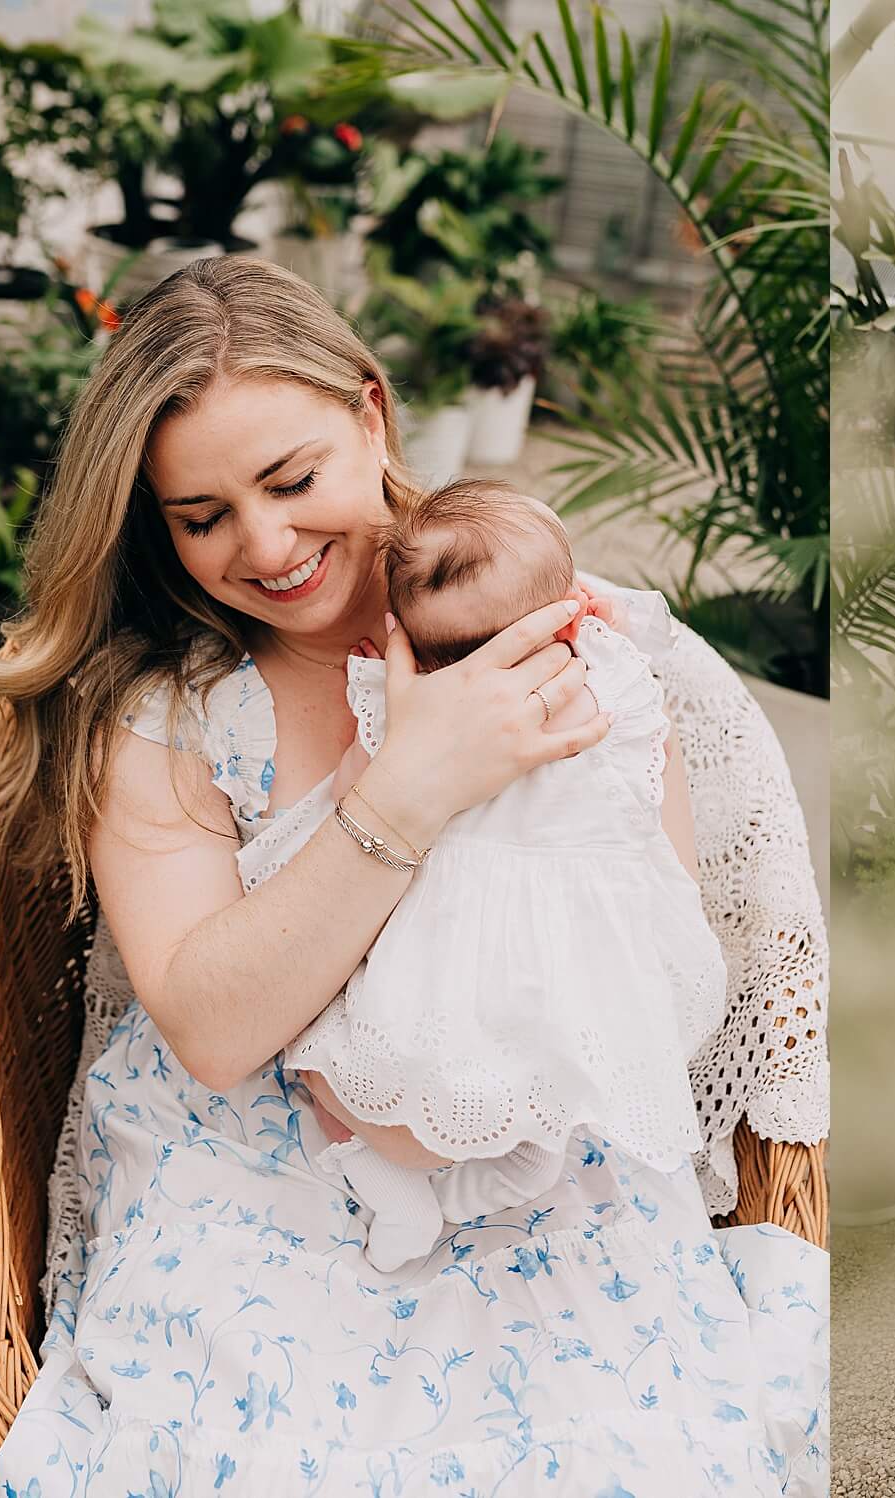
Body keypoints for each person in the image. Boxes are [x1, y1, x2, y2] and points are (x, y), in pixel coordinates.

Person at [0, 256, 827, 1492]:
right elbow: (211, 1028)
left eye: (293, 479)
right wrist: (409, 787)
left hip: (532, 1126)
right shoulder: (172, 716)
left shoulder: (559, 633)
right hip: (251, 1157)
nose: (265, 543)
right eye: (201, 518)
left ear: (369, 414)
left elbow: (647, 943)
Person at [279, 477, 729, 1273]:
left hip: (456, 958)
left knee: (324, 1064)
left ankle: (398, 1184)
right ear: (569, 615)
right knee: (540, 1120)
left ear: (407, 642)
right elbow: (652, 781)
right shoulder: (611, 686)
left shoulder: (404, 708)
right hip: (584, 968)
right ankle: (471, 1184)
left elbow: (354, 794)